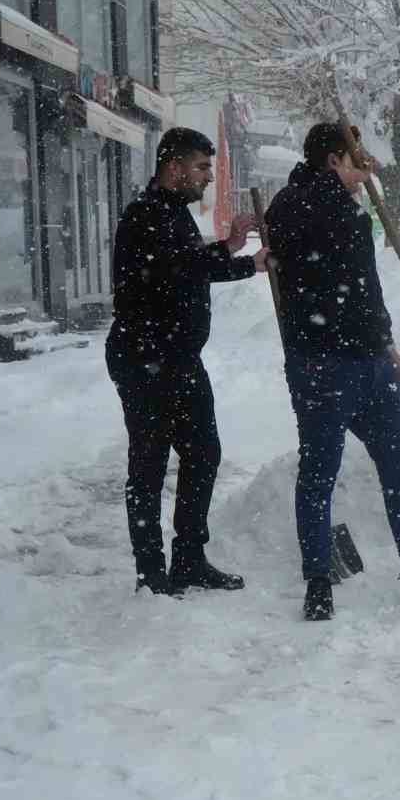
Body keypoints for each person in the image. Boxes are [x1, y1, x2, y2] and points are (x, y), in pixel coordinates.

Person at [266, 123, 400, 621]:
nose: (367, 168)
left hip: (352, 361)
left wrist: (384, 344)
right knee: (358, 469)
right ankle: (358, 575)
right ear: (334, 160)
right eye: (359, 160)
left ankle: (353, 578)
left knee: (352, 469)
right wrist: (377, 341)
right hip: (330, 363)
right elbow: (357, 287)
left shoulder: (288, 207)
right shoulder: (322, 210)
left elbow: (361, 289)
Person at [106, 127, 268, 596]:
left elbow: (185, 262)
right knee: (149, 465)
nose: (207, 178)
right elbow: (180, 269)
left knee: (203, 453)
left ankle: (190, 560)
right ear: (174, 167)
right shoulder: (146, 215)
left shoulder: (171, 214)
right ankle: (151, 574)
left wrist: (231, 246)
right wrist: (248, 264)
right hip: (146, 358)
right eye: (201, 168)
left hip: (177, 359)